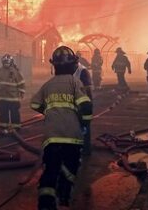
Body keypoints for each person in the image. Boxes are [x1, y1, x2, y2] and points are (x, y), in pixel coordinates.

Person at [31, 46, 92, 210]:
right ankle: (64, 199)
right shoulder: (75, 82)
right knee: (70, 168)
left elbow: (34, 103)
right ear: (73, 65)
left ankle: (45, 204)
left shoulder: (48, 85)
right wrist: (84, 124)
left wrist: (49, 111)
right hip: (72, 136)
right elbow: (86, 106)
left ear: (54, 66)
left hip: (51, 137)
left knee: (50, 171)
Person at [0, 54, 25, 134]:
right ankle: (4, 127)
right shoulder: (0, 71)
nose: (6, 63)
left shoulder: (15, 71)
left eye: (7, 61)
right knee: (3, 113)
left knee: (14, 113)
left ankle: (16, 127)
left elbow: (21, 82)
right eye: (5, 62)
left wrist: (22, 92)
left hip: (13, 98)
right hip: (3, 98)